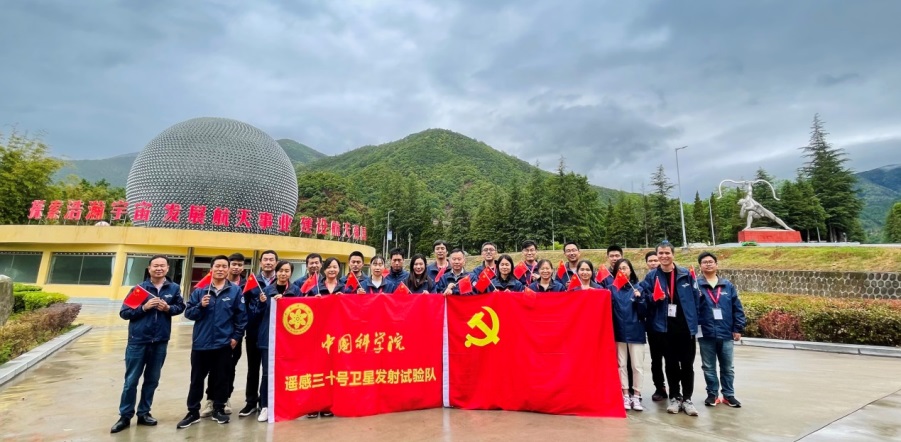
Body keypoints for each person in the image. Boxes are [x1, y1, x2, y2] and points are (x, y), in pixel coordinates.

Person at [111, 255, 186, 433]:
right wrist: (144, 308)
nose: (159, 268)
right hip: (138, 341)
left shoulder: (173, 288)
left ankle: (144, 413)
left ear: (167, 268)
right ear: (149, 268)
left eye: (162, 266)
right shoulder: (140, 290)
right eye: (155, 266)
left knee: (152, 380)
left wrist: (168, 308)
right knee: (131, 381)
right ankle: (125, 416)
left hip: (160, 341)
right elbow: (125, 313)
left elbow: (180, 307)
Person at [178, 255, 247, 429]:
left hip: (223, 343)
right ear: (211, 269)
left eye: (224, 266)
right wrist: (200, 306)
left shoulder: (234, 291)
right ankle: (193, 411)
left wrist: (235, 337)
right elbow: (189, 314)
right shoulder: (200, 291)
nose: (221, 269)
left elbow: (241, 317)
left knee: (221, 378)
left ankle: (219, 408)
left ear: (228, 269)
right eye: (217, 266)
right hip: (201, 343)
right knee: (197, 379)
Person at [642, 241, 708, 417]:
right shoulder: (651, 277)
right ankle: (674, 397)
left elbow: (697, 300)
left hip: (685, 328)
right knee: (670, 365)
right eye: (660, 253)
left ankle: (687, 399)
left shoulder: (686, 274)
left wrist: (695, 323)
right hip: (664, 329)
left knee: (687, 365)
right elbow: (643, 299)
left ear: (673, 254)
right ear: (657, 255)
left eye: (667, 253)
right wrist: (654, 297)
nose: (664, 256)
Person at [250, 260, 301, 422]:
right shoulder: (266, 291)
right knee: (267, 373)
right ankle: (265, 405)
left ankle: (287, 404)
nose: (283, 273)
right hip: (268, 338)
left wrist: (287, 301)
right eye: (281, 270)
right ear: (276, 272)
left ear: (291, 273)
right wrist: (262, 303)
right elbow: (255, 315)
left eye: (287, 271)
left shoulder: (296, 291)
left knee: (288, 372)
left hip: (288, 340)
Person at [697, 252, 746, 408]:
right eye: (705, 262)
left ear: (716, 265)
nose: (708, 264)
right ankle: (712, 394)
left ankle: (728, 395)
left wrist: (737, 328)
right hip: (705, 333)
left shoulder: (727, 285)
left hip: (726, 332)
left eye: (711, 261)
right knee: (708, 367)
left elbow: (737, 308)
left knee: (728, 367)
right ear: (700, 266)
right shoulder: (696, 285)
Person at [202, 252, 245, 417]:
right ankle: (211, 399)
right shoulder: (209, 285)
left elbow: (243, 314)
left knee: (229, 368)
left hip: (234, 336)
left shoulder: (247, 285)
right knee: (213, 369)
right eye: (233, 264)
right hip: (213, 335)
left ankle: (225, 397)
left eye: (240, 265)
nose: (236, 267)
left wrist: (236, 336)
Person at [239, 250, 277, 417]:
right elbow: (244, 307)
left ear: (276, 263)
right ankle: (250, 402)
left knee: (269, 370)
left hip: (273, 333)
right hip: (254, 331)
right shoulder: (252, 282)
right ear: (260, 262)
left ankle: (265, 402)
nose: (268, 262)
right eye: (265, 259)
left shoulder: (280, 281)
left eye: (271, 260)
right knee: (253, 368)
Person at [610, 258, 647, 412]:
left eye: (625, 268)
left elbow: (644, 313)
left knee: (637, 366)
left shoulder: (638, 288)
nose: (622, 271)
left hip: (636, 332)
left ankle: (636, 395)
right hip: (619, 332)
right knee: (621, 365)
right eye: (619, 269)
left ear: (630, 270)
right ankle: (625, 394)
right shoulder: (612, 289)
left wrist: (640, 300)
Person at [643, 249, 666, 401]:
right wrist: (654, 297)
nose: (653, 263)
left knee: (672, 359)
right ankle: (659, 387)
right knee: (656, 359)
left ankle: (675, 389)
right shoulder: (647, 279)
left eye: (655, 260)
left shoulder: (670, 276)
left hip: (671, 325)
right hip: (653, 325)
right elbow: (643, 299)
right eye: (650, 261)